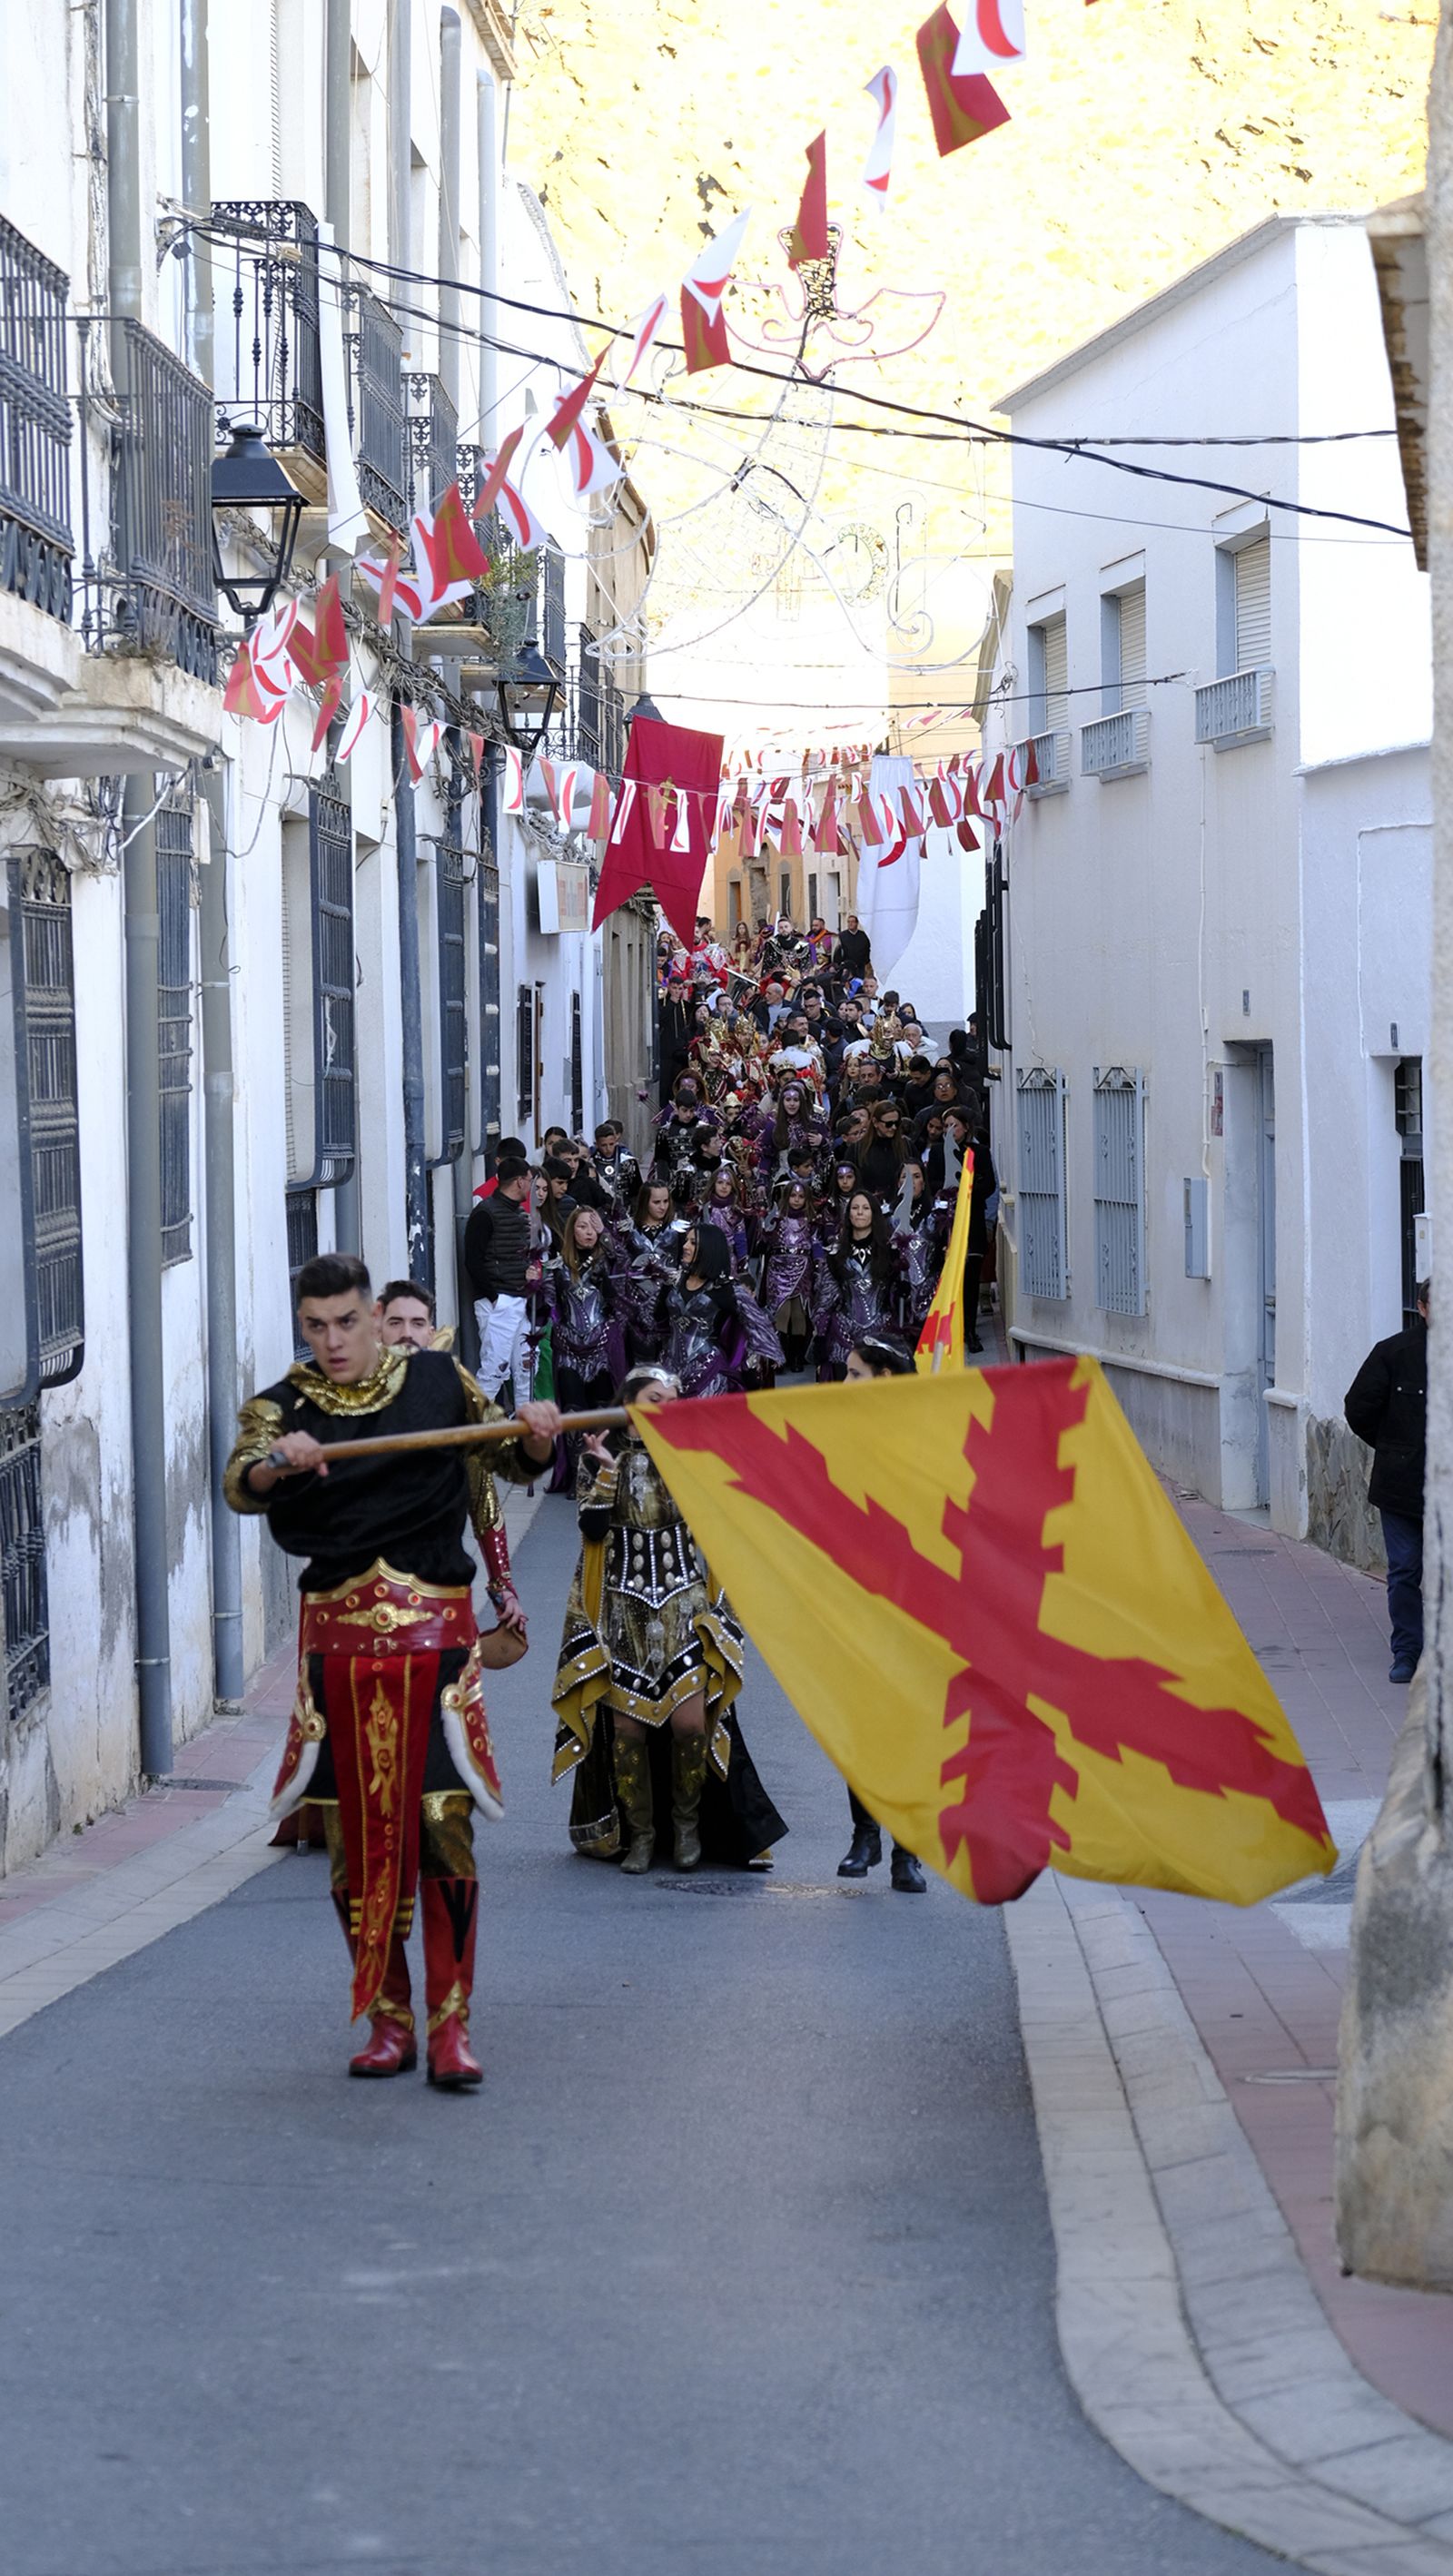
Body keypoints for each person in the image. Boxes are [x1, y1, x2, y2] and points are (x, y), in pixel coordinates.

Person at [223, 1254, 561, 2085]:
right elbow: (241, 1482)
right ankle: (390, 2017)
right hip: (337, 1654)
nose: (333, 1341)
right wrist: (280, 1463)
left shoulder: (441, 1381)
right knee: (352, 1843)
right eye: (316, 1326)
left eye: (347, 1322)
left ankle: (451, 2027)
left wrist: (538, 1431)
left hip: (436, 1650)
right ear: (302, 1324)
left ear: (376, 1315)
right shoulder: (284, 1405)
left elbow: (509, 1459)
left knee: (445, 1823)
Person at [550, 1366, 788, 1874]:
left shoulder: (689, 1456)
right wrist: (607, 1469)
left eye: (673, 1400)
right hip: (624, 1612)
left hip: (685, 1606)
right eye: (655, 1398)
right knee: (628, 1732)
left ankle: (686, 1827)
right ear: (630, 1404)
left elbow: (723, 1520)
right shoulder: (599, 1459)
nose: (666, 1407)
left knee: (688, 1724)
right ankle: (640, 1835)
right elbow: (592, 1531)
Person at [834, 1335, 928, 1892]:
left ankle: (907, 1853)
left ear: (887, 1379)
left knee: (910, 1727)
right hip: (858, 1596)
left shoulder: (925, 1437)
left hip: (914, 1602)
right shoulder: (842, 1434)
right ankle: (864, 1836)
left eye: (855, 1375)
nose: (844, 1386)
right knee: (862, 1722)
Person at [1345, 1281, 1429, 1684]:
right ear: (1422, 1307)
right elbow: (1358, 1407)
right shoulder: (1393, 1353)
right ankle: (1407, 1652)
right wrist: (1394, 1448)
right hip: (1402, 1488)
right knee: (1404, 1570)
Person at [464, 1153, 538, 1405]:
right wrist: (495, 1298)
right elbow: (473, 1261)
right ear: (519, 1182)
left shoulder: (518, 1214)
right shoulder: (484, 1213)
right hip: (498, 1302)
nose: (531, 1186)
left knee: (527, 1370)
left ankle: (525, 1432)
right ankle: (476, 1431)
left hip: (518, 1300)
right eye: (529, 1180)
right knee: (494, 1370)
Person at [835, 913, 871, 983]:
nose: (850, 924)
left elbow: (867, 949)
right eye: (849, 922)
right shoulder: (842, 936)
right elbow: (838, 950)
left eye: (852, 922)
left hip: (860, 966)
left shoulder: (863, 936)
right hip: (847, 966)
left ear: (857, 923)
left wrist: (866, 961)